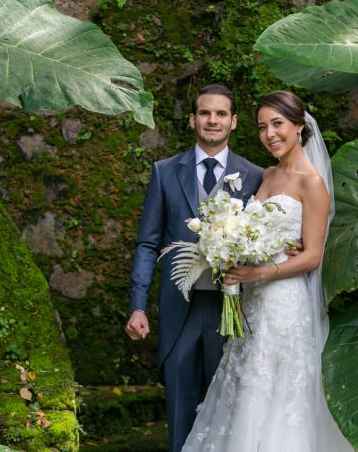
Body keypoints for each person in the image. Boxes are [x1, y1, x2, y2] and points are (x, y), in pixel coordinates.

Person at [181, 90, 354, 452]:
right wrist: (230, 250)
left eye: (278, 124)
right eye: (262, 127)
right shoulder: (270, 174)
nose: (270, 134)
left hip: (283, 304)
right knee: (245, 382)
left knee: (276, 388)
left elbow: (312, 257)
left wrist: (258, 274)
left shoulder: (312, 184)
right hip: (253, 302)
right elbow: (257, 233)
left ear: (300, 127)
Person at [125, 83, 264, 452]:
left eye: (221, 114)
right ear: (192, 120)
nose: (212, 120)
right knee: (181, 410)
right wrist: (137, 306)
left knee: (231, 410)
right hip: (180, 309)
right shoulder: (165, 172)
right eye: (205, 113)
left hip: (232, 311)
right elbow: (147, 244)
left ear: (233, 122)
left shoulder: (256, 176)